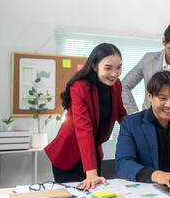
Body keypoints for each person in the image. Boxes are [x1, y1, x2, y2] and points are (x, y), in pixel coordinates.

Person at [44, 43, 127, 189]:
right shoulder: (79, 87)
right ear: (94, 66)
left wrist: (140, 130)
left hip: (92, 153)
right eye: (108, 68)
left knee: (95, 197)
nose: (114, 73)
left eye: (118, 67)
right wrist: (91, 173)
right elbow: (83, 129)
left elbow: (122, 114)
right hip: (69, 156)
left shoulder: (116, 85)